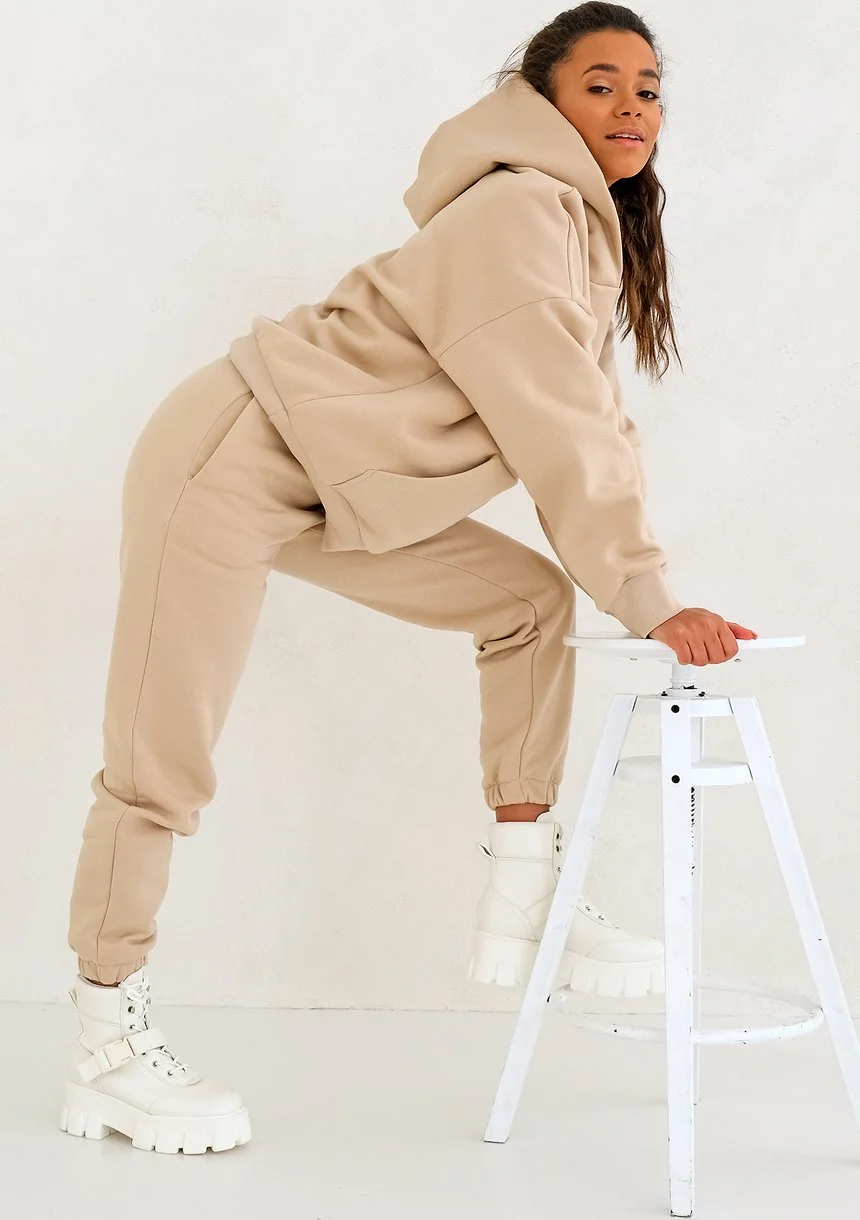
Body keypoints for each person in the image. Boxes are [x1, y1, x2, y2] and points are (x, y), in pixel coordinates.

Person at [59, 3, 757, 1155]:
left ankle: (524, 886)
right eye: (599, 84)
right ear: (540, 98)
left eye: (646, 88)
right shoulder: (521, 209)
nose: (631, 106)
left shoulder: (574, 226)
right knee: (159, 765)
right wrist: (648, 595)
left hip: (325, 478)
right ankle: (105, 1042)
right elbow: (561, 435)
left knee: (526, 603)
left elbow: (591, 419)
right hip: (225, 458)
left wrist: (641, 584)